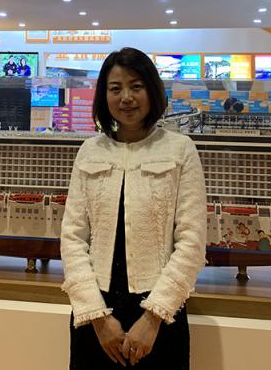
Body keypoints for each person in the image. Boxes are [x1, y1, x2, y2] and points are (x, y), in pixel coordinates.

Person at [60, 47, 207, 369]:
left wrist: (153, 318)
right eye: (115, 88)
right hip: (94, 313)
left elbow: (192, 241)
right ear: (104, 96)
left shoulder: (179, 149)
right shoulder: (90, 151)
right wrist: (98, 317)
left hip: (161, 312)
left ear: (152, 90)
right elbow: (72, 237)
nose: (126, 97)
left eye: (136, 86)